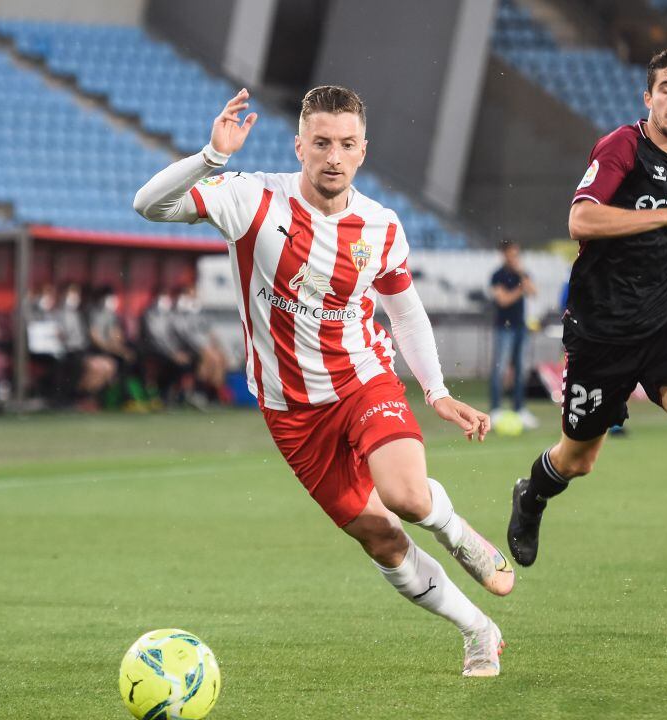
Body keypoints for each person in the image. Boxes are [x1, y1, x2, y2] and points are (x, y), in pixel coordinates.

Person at [134, 86, 513, 675]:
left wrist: (435, 392)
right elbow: (148, 205)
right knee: (381, 539)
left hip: (363, 380)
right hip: (290, 410)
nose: (333, 156)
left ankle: (455, 529)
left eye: (346, 144)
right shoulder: (252, 201)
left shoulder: (381, 227)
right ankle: (478, 630)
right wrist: (212, 156)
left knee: (406, 497)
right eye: (321, 143)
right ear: (300, 147)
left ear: (363, 150)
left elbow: (405, 312)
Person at [507, 48, 667, 613]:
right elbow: (581, 218)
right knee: (578, 459)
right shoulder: (621, 147)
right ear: (648, 98)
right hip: (601, 331)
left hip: (666, 320)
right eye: (665, 87)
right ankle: (532, 494)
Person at [489, 240, 539, 430]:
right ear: (504, 254)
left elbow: (534, 292)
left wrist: (522, 279)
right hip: (504, 328)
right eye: (511, 254)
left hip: (521, 327)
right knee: (500, 369)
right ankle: (495, 409)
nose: (514, 258)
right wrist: (520, 289)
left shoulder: (523, 274)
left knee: (520, 370)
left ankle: (520, 409)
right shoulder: (497, 276)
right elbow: (503, 300)